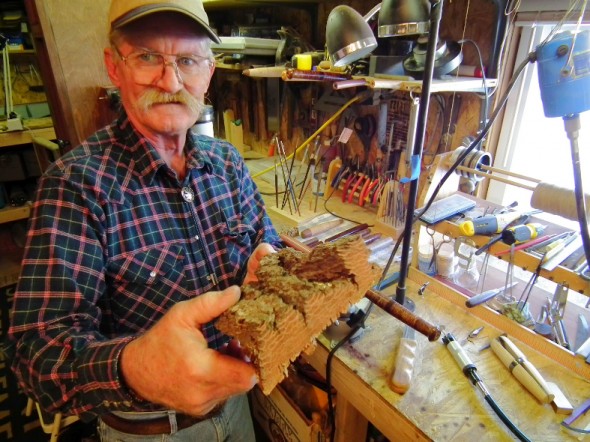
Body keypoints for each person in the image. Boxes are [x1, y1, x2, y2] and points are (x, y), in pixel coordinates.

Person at [6, 0, 282, 440]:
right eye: (148, 57)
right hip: (150, 429)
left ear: (209, 73)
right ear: (114, 67)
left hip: (239, 407)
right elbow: (35, 356)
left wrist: (269, 263)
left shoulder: (228, 163)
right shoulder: (76, 185)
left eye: (188, 60)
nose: (171, 81)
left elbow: (269, 245)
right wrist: (136, 368)